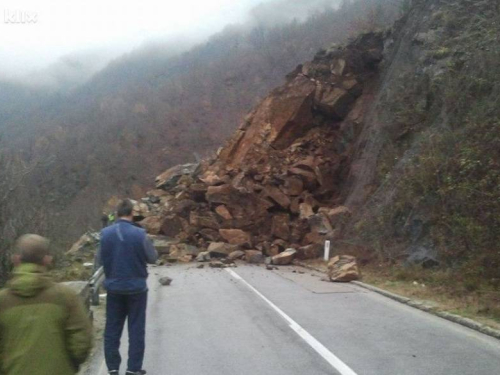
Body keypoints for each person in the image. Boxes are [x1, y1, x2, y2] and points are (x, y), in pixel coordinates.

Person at [0, 234, 92, 375]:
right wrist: (68, 365)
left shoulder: (3, 300)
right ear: (47, 260)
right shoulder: (65, 296)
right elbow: (82, 341)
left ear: (16, 259)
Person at [99, 199, 158, 375]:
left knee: (112, 329)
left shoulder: (105, 233)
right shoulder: (140, 234)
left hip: (114, 288)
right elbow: (152, 258)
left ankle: (113, 368)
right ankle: (133, 368)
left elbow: (100, 260)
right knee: (136, 330)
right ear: (132, 214)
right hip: (137, 288)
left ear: (117, 214)